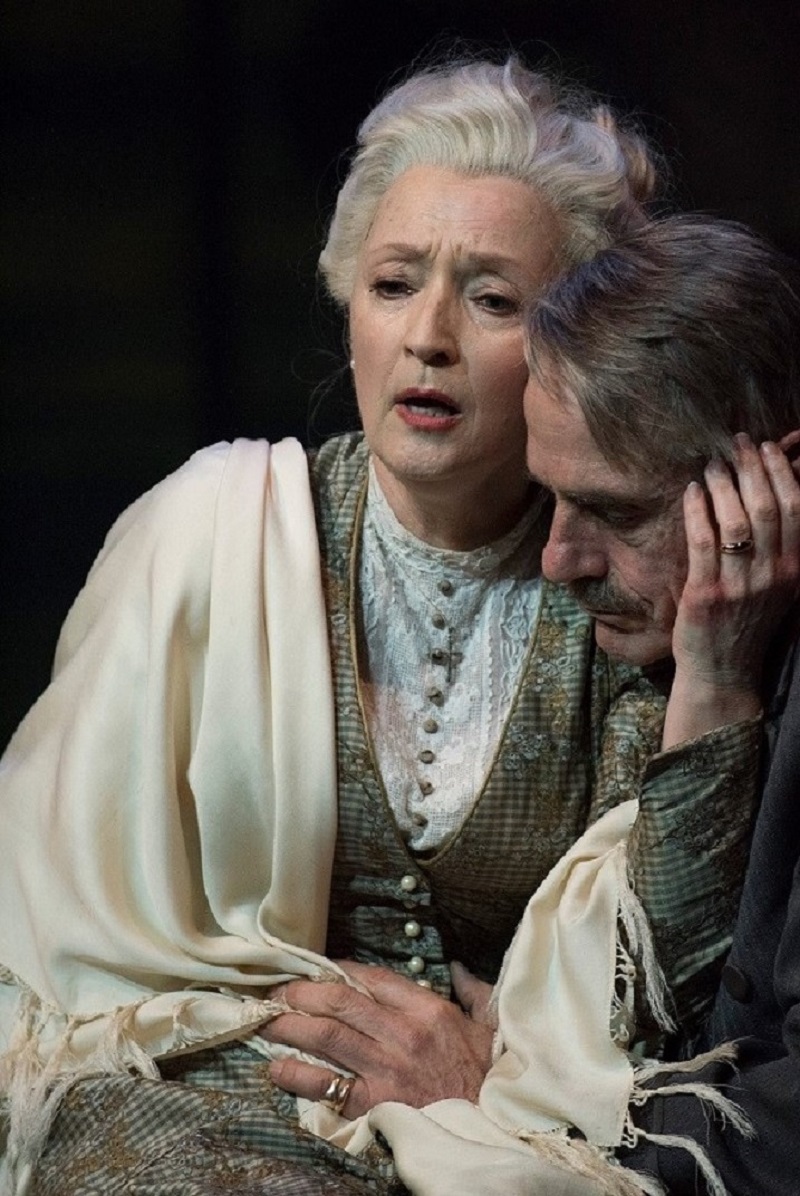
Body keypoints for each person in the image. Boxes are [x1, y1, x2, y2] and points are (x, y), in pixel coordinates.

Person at [0, 58, 788, 1196]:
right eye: (392, 283)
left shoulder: (610, 592)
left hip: (495, 1132)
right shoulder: (206, 534)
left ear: (571, 343)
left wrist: (488, 1078)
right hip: (190, 1103)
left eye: (490, 298)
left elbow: (663, 998)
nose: (427, 336)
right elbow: (55, 944)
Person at [519, 213, 800, 1193]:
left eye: (615, 509)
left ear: (771, 484)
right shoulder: (645, 653)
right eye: (550, 500)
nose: (557, 559)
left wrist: (521, 1094)